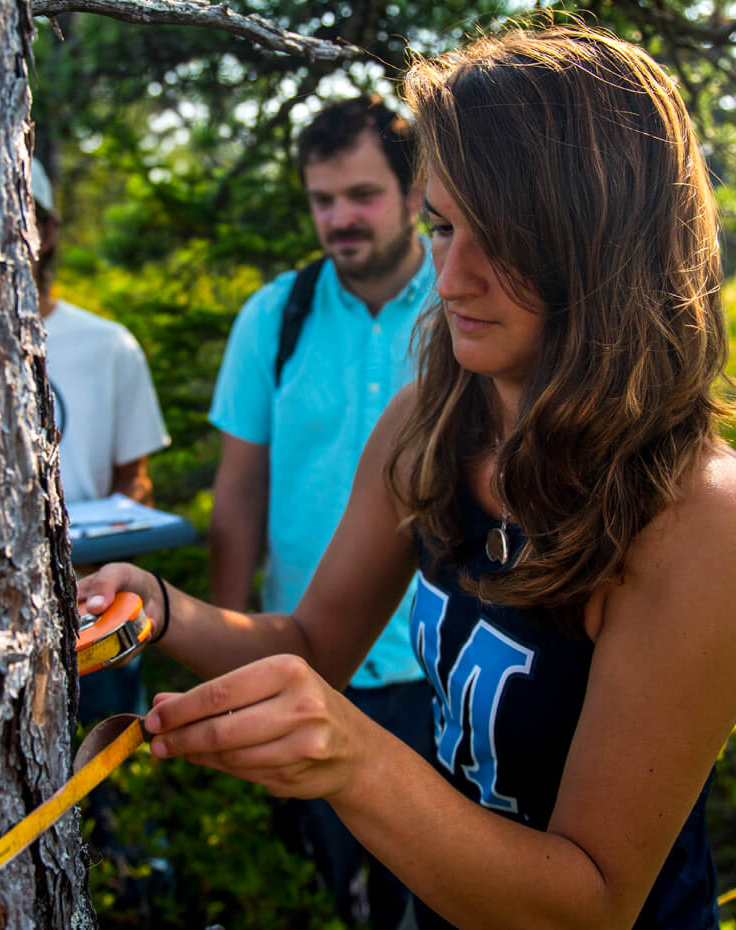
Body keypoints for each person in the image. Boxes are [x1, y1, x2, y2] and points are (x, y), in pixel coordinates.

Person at [80, 24, 736, 930]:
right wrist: (161, 609)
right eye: (443, 227)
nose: (450, 279)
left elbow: (592, 904)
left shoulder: (697, 514)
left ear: (604, 243)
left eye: (500, 239)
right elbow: (313, 645)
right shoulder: (433, 423)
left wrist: (356, 759)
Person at [206, 95, 438, 928]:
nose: (340, 219)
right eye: (322, 199)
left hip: (438, 673)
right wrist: (227, 659)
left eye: (363, 195)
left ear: (416, 194)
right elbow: (238, 493)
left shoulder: (469, 305)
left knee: (437, 896)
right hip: (305, 665)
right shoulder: (274, 317)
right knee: (319, 893)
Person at [33, 157, 170, 723]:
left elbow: (134, 482)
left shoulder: (108, 346)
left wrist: (103, 559)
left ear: (47, 229)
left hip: (89, 610)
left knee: (103, 760)